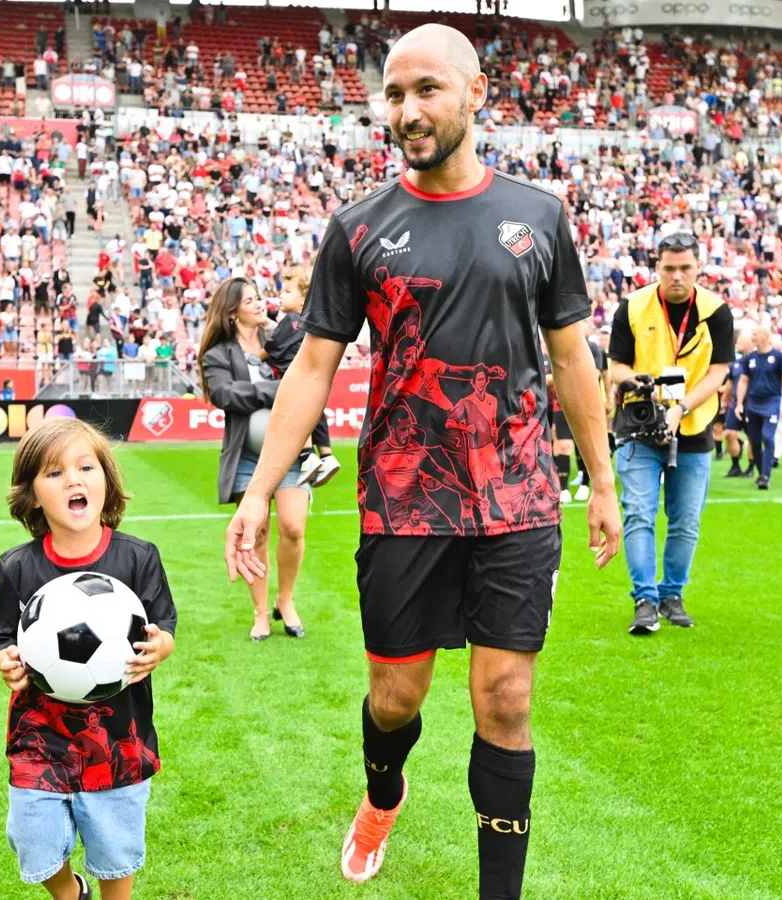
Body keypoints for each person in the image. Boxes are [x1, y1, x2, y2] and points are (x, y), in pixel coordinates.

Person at [223, 24, 621, 899]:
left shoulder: (540, 216)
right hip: (404, 499)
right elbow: (314, 366)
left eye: (427, 90)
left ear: (476, 94)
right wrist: (257, 492)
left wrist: (600, 481)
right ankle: (381, 793)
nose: (407, 110)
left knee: (506, 701)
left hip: (517, 497)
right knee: (397, 700)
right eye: (395, 94)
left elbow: (571, 359)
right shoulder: (359, 228)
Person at [0, 418, 177, 900]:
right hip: (39, 737)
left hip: (116, 737)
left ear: (106, 480)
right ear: (31, 495)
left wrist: (160, 648)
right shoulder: (17, 567)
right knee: (33, 840)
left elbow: (164, 627)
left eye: (85, 467)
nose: (73, 479)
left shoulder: (138, 558)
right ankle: (70, 891)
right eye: (54, 473)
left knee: (116, 852)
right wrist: (4, 659)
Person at [609, 231, 734, 633]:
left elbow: (719, 370)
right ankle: (644, 599)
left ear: (698, 266)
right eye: (669, 268)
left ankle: (672, 595)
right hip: (639, 424)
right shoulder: (632, 306)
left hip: (694, 427)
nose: (677, 276)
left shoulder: (716, 311)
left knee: (685, 521)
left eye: (685, 268)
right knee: (639, 514)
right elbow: (616, 367)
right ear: (656, 267)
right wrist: (635, 382)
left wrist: (681, 407)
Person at [199, 277, 311, 641]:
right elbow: (225, 394)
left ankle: (286, 600)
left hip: (290, 451)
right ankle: (261, 613)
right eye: (251, 300)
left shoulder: (278, 338)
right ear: (232, 312)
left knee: (293, 527)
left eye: (259, 297)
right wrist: (274, 391)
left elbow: (307, 374)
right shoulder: (217, 355)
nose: (260, 303)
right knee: (256, 534)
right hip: (247, 458)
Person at [264, 265, 343, 487]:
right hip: (313, 374)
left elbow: (271, 348)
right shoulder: (310, 322)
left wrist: (254, 354)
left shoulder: (289, 320)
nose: (281, 295)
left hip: (293, 375)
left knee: (297, 413)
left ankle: (307, 456)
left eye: (287, 291)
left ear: (303, 300)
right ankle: (327, 455)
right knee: (316, 413)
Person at [734, 325, 782, 490]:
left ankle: (766, 475)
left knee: (768, 436)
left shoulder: (778, 357)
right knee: (755, 440)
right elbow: (743, 381)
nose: (753, 337)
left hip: (771, 402)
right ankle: (761, 473)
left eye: (755, 334)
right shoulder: (749, 358)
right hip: (753, 403)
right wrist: (739, 403)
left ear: (765, 336)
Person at [720, 332, 753, 478]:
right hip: (735, 403)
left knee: (753, 437)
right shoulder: (736, 364)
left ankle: (751, 467)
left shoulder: (756, 361)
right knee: (730, 433)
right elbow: (730, 383)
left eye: (739, 342)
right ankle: (736, 465)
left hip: (752, 403)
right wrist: (723, 401)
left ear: (748, 343)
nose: (736, 345)